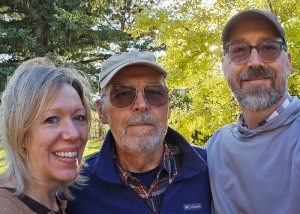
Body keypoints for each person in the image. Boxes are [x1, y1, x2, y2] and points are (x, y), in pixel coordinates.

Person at [60, 50, 212, 213]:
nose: (141, 104)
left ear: (168, 107)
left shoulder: (209, 169)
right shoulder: (76, 188)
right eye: (123, 94)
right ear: (101, 111)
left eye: (154, 92)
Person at [205, 9, 300, 213]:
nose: (255, 62)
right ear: (224, 67)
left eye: (269, 48)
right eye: (239, 50)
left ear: (288, 63)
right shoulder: (215, 149)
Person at [0, 57, 92, 214]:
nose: (73, 134)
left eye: (79, 117)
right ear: (20, 134)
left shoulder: (59, 206)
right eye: (51, 119)